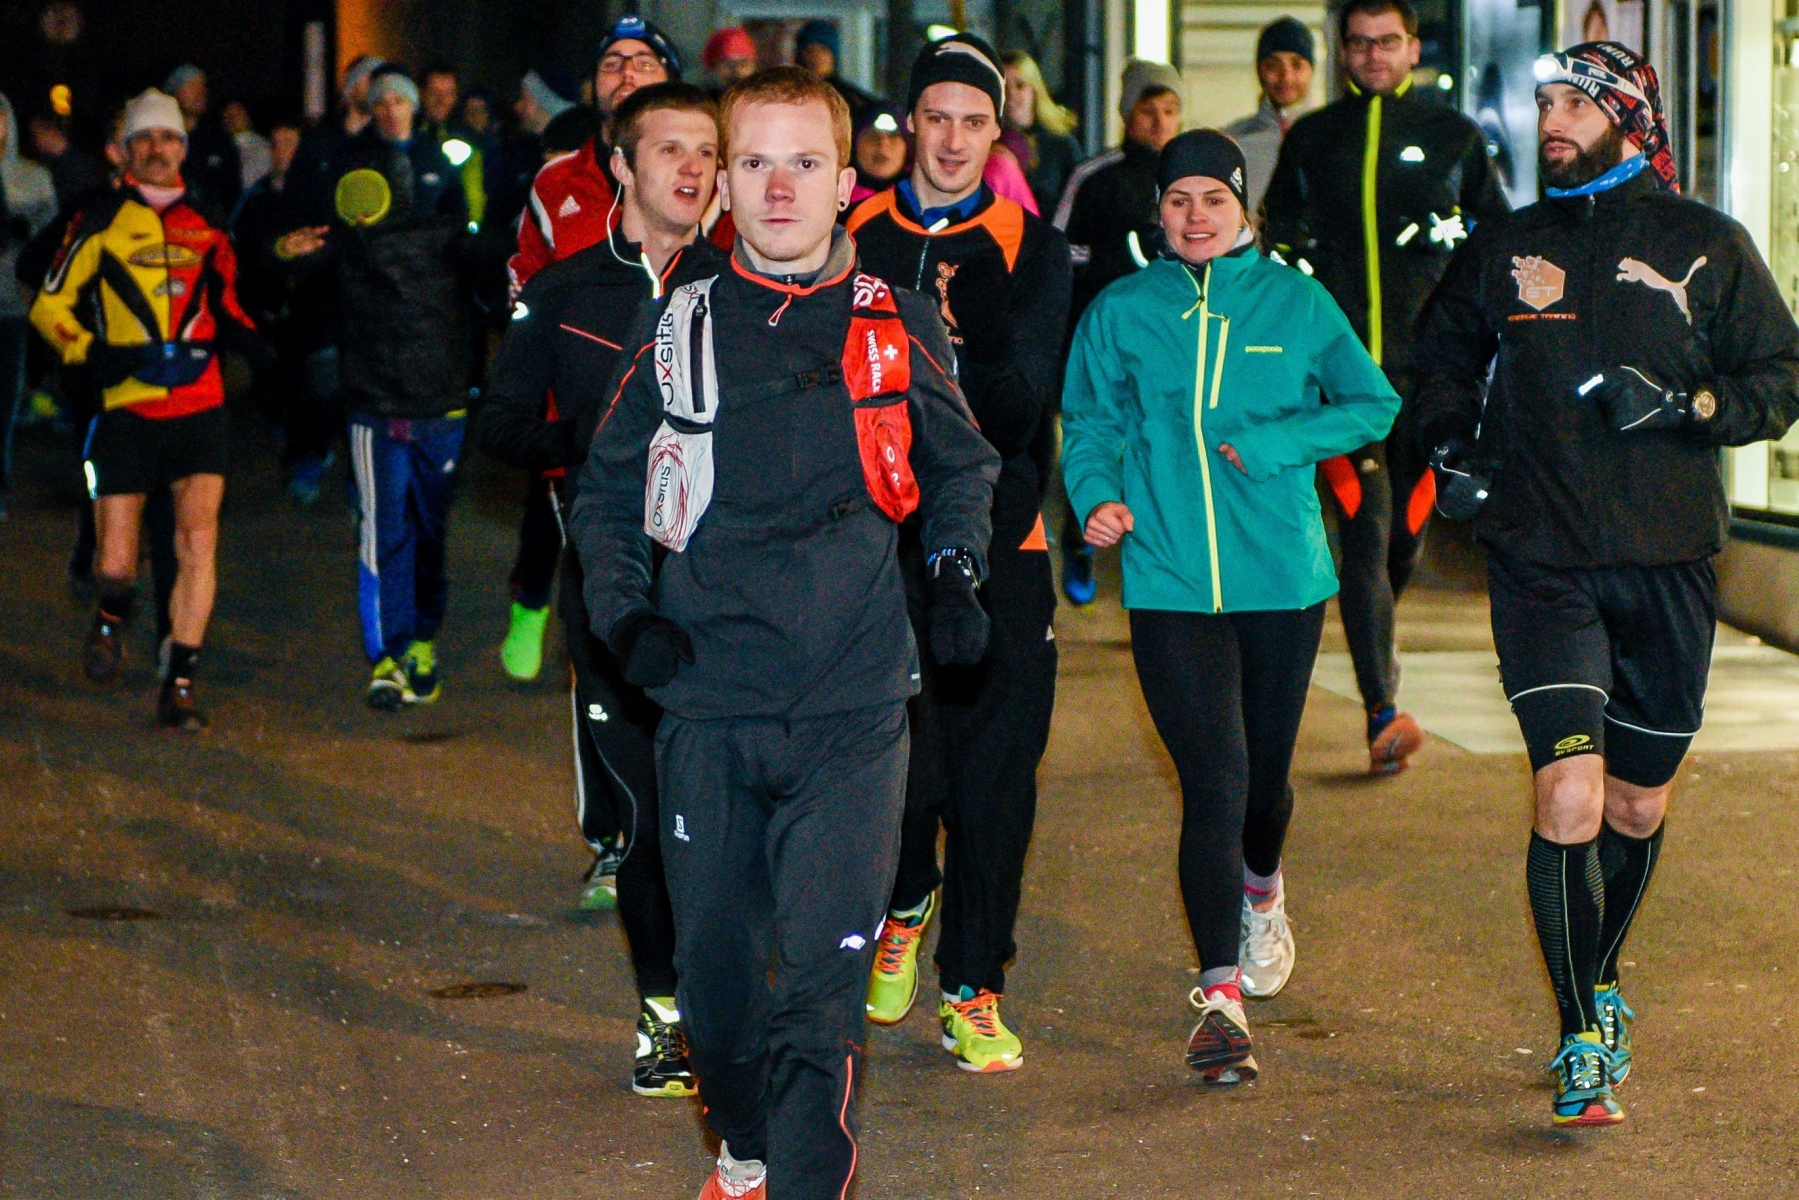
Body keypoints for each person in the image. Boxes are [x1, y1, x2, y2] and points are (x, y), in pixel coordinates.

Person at [568, 66, 998, 1200]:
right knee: (717, 994)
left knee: (819, 992)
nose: (775, 187)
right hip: (705, 703)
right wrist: (628, 622)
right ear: (719, 185)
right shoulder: (677, 325)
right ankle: (741, 1147)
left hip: (851, 712)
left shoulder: (894, 325)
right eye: (750, 162)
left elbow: (962, 467)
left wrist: (955, 578)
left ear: (846, 184)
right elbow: (607, 497)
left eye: (802, 163)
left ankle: (798, 1180)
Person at [1415, 41, 1799, 1127]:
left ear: (1627, 115)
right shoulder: (1504, 244)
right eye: (1540, 102)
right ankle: (1581, 1027)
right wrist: (1451, 447)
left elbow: (1779, 377)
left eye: (1570, 102)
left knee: (1634, 800)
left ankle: (1604, 970)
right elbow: (1439, 361)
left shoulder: (1704, 245)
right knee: (1568, 794)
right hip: (1539, 563)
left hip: (1670, 561)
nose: (1547, 118)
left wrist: (1690, 410)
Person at [1063, 129, 1399, 1084]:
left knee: (1262, 785)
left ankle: (1262, 888)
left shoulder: (1294, 301)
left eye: (1213, 198)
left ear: (1243, 206)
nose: (1194, 216)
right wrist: (1094, 496)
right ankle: (1218, 995)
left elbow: (1369, 403)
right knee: (1212, 778)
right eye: (1178, 201)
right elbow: (1086, 419)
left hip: (1280, 579)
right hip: (1168, 577)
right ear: (1158, 212)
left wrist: (1285, 441)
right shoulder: (1123, 310)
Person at [480, 80, 727, 1101]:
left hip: (729, 592)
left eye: (707, 151)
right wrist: (581, 451)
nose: (692, 169)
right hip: (613, 587)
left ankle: (740, 999)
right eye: (668, 149)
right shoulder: (568, 291)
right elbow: (496, 427)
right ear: (619, 167)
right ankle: (664, 1014)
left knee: (735, 807)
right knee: (655, 811)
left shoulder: (746, 286)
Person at [846, 31, 1070, 1074]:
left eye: (971, 121)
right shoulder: (851, 232)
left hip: (999, 540)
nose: (949, 138)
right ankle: (901, 900)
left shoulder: (1032, 245)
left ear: (997, 130)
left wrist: (960, 342)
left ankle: (973, 983)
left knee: (995, 775)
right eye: (932, 117)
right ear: (906, 124)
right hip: (873, 545)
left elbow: (1021, 412)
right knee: (903, 768)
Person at [1262, 0, 1510, 773]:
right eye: (1360, 44)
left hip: (1429, 381)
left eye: (1388, 42)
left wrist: (1451, 250)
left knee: (1402, 543)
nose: (1374, 56)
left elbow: (1494, 240)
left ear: (1411, 49)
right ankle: (1381, 709)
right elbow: (1275, 235)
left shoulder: (1453, 138)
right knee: (1361, 541)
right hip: (1339, 386)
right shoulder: (1312, 139)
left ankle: (1378, 641)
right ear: (1343, 52)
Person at [30, 89, 264, 730]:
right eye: (145, 140)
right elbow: (49, 308)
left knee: (196, 544)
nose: (158, 149)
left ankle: (179, 680)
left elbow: (232, 302)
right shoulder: (98, 218)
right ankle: (111, 615)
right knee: (115, 564)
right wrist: (90, 354)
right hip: (127, 408)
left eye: (168, 139)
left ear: (183, 149)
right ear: (126, 151)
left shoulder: (210, 219)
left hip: (200, 404)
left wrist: (263, 347)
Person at [274, 70, 479, 711]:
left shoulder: (447, 231)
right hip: (373, 406)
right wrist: (280, 249)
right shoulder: (346, 240)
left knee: (430, 530)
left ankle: (422, 639)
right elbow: (283, 260)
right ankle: (388, 656)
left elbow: (504, 264)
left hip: (441, 403)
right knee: (381, 530)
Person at [499, 14, 684, 687]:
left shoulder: (706, 176)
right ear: (590, 87)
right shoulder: (555, 182)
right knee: (590, 567)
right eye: (613, 63)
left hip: (680, 420)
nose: (627, 72)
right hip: (584, 423)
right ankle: (540, 615)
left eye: (643, 61)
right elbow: (524, 284)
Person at [1052, 57, 1183, 605]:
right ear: (1126, 114)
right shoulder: (1094, 176)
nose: (1159, 122)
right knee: (1098, 446)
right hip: (1103, 344)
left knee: (1164, 451)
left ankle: (1161, 561)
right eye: (1147, 111)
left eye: (1170, 110)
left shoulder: (1190, 178)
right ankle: (1081, 540)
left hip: (1174, 346)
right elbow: (1058, 254)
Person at [1, 91, 58, 518]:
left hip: (12, 304)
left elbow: (52, 235)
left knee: (5, 397)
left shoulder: (32, 177)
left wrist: (27, 230)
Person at [1223, 17, 1315, 220]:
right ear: (1259, 71)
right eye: (1273, 65)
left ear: (1312, 70)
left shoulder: (1331, 136)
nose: (1286, 77)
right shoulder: (1230, 143)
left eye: (1297, 65)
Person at [999, 51, 1079, 216]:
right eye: (1003, 87)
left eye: (1020, 85)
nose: (1010, 94)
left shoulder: (1062, 144)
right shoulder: (986, 144)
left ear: (1035, 90)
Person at [163, 64, 241, 220]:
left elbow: (232, 190)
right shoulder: (161, 140)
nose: (200, 92)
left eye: (203, 86)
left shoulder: (218, 139)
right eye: (191, 86)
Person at [795, 19, 879, 124]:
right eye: (810, 51)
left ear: (833, 56)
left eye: (823, 50)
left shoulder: (852, 99)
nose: (816, 57)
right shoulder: (792, 95)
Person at [27, 110, 101, 211]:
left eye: (37, 134)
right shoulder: (49, 164)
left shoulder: (79, 165)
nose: (36, 142)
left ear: (51, 131)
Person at [846, 102, 907, 205]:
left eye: (893, 136)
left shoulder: (920, 208)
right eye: (872, 135)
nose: (882, 144)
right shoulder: (833, 197)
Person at [221, 99, 271, 192]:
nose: (232, 118)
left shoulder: (262, 147)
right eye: (228, 114)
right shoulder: (219, 147)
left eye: (237, 113)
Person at [703, 26, 760, 91]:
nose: (737, 71)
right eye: (729, 66)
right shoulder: (704, 99)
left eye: (743, 65)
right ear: (715, 68)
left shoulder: (764, 98)